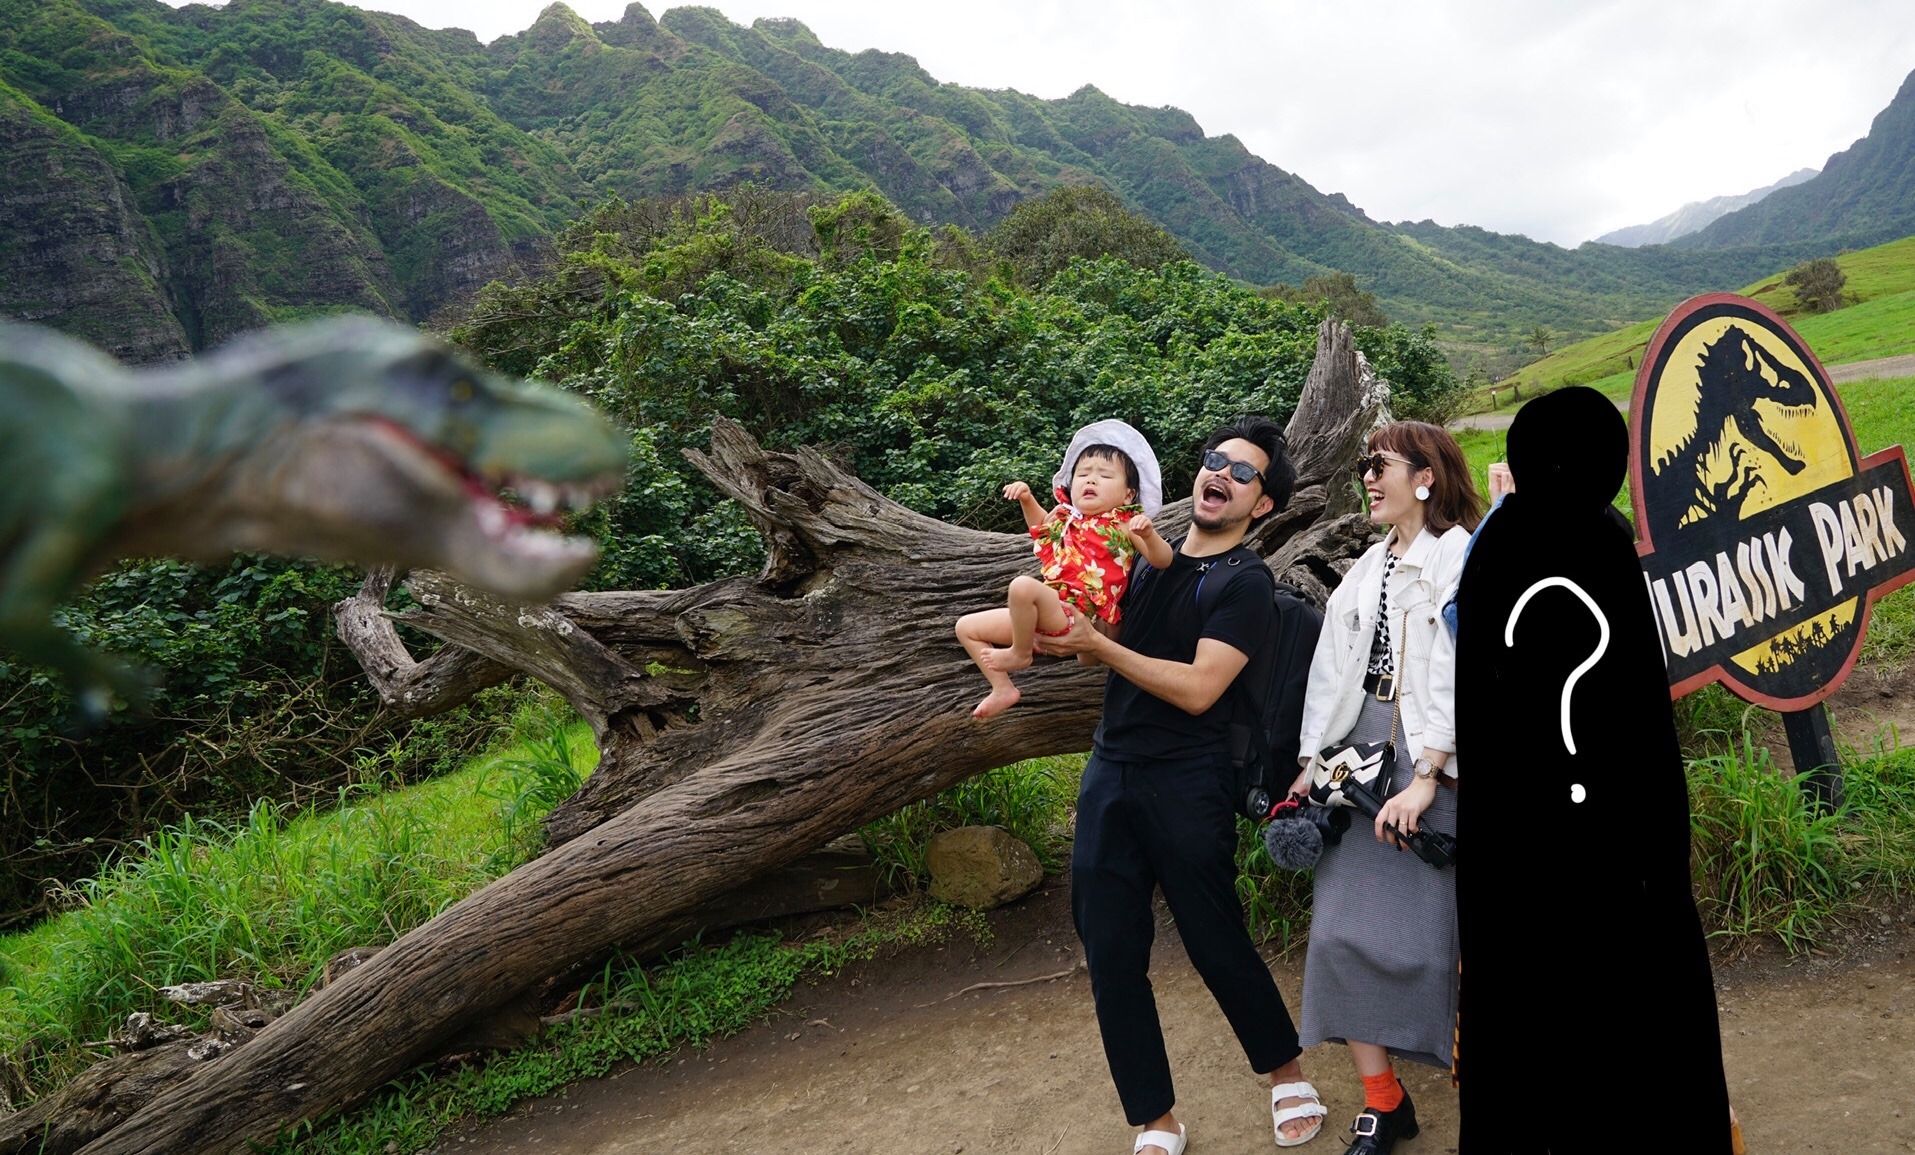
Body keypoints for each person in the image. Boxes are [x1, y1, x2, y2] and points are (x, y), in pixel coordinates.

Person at [1450, 387, 1732, 1153]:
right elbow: (1633, 716)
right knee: (1633, 1013)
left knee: (1531, 1015)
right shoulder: (1600, 540)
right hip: (1616, 845)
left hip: (1514, 846)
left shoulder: (1498, 549)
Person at [1035, 417, 1327, 1155]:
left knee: (1212, 936)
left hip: (1188, 777)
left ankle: (1284, 1070)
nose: (1219, 473)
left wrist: (1099, 646)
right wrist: (1068, 631)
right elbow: (1091, 644)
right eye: (1213, 459)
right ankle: (1154, 1117)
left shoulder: (1245, 583)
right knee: (1109, 949)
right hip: (1110, 771)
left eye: (1241, 471)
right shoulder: (1140, 559)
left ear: (1260, 505)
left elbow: (1200, 689)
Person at [1288, 420, 1482, 1155]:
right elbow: (1330, 674)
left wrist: (1429, 773)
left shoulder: (1459, 555)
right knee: (1338, 935)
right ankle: (1382, 1100)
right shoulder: (1368, 564)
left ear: (1425, 476)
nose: (1368, 477)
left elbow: (1457, 671)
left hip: (1433, 762)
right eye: (1365, 464)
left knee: (1439, 949)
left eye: (1382, 465)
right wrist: (1312, 762)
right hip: (1357, 768)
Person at [957, 419, 1172, 719]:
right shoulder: (1066, 519)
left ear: (1128, 495)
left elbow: (1163, 560)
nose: (1091, 480)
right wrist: (1027, 498)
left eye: (1104, 475)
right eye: (1083, 474)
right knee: (966, 628)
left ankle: (1020, 654)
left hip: (1081, 618)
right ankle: (1003, 688)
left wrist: (1148, 534)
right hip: (1047, 614)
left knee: (1022, 586)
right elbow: (1039, 529)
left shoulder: (1123, 523)